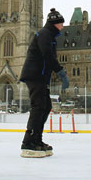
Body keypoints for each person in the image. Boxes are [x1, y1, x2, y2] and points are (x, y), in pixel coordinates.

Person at [19, 8, 69, 158]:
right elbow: (47, 55)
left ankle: (37, 140)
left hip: (40, 77)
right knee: (39, 106)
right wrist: (60, 72)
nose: (62, 27)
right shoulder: (45, 34)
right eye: (61, 24)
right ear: (55, 24)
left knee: (46, 106)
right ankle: (28, 142)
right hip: (35, 76)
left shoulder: (50, 35)